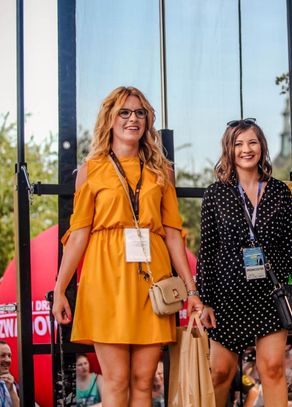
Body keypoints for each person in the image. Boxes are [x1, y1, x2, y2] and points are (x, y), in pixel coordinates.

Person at [52, 86, 203, 406]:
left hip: (153, 281)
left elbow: (173, 234)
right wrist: (60, 288)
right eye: (124, 112)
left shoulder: (161, 171)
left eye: (139, 113)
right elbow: (78, 235)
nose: (132, 119)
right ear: (109, 118)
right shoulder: (91, 170)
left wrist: (191, 291)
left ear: (147, 121)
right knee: (117, 380)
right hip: (105, 279)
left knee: (143, 381)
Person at [197, 118, 292, 407]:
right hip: (227, 295)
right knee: (220, 373)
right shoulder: (215, 194)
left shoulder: (279, 192)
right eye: (238, 144)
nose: (246, 149)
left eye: (252, 142)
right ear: (229, 150)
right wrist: (205, 301)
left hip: (271, 294)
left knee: (273, 369)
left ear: (262, 147)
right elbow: (208, 251)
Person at [0, 341, 19, 407]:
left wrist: (11, 391)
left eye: (9, 356)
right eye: (3, 355)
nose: (8, 360)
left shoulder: (10, 383)